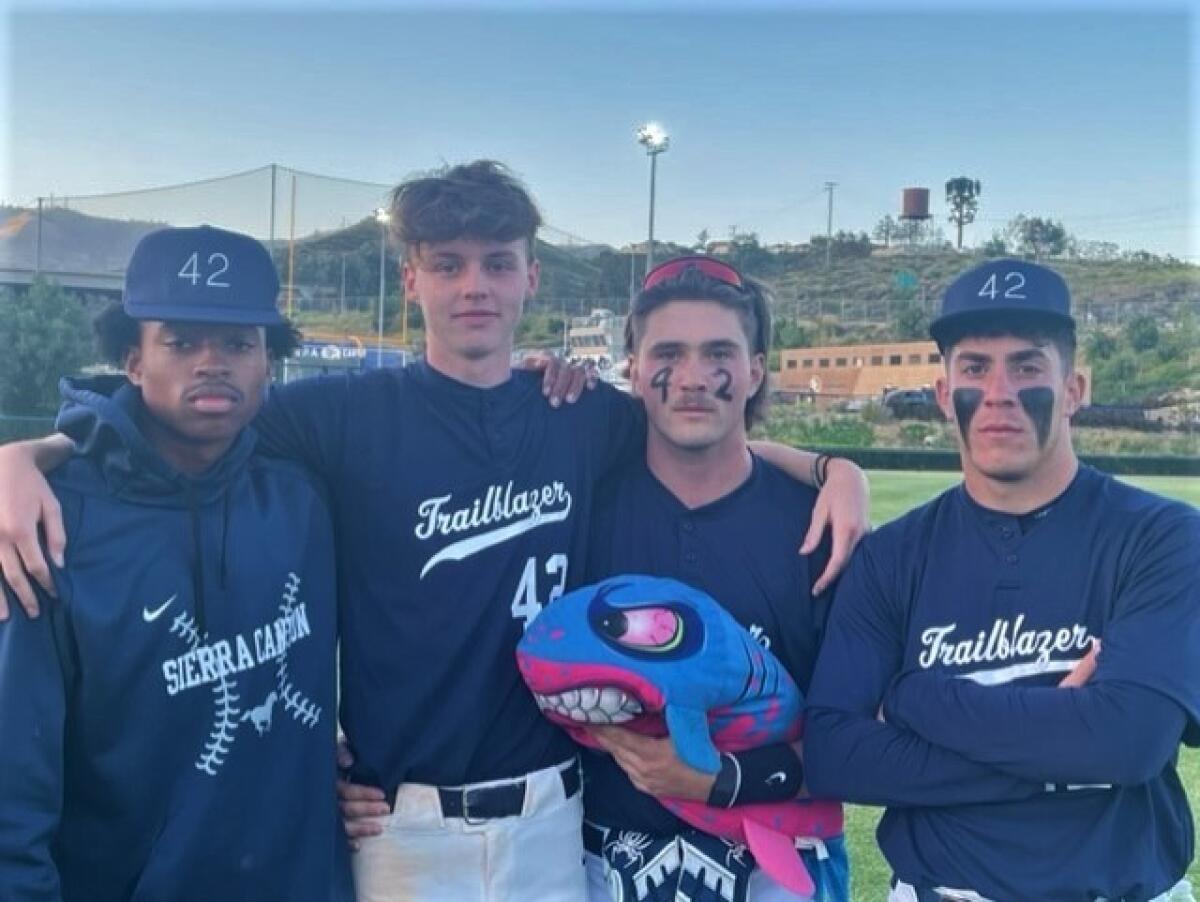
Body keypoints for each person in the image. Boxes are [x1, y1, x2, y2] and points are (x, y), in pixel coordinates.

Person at [0, 162, 867, 902]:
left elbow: (702, 421)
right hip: (398, 830)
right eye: (446, 264)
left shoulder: (582, 414)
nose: (473, 287)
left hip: (556, 820)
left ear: (533, 278)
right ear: (411, 279)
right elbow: (176, 415)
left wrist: (835, 470)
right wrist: (31, 453)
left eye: (497, 263)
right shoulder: (337, 415)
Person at [804, 258, 1200, 902]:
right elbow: (836, 754)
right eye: (974, 368)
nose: (999, 392)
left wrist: (912, 699)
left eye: (1027, 366)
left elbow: (1129, 745)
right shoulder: (892, 557)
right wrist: (1066, 746)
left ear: (1074, 389)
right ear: (943, 393)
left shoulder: (1159, 536)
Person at [0, 225, 346, 901]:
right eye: (182, 341)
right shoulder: (47, 524)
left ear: (267, 364)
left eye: (239, 343)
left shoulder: (302, 501)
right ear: (133, 359)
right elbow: (14, 787)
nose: (212, 362)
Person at [578, 256, 850, 901]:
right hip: (601, 860)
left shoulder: (819, 530)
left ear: (756, 369)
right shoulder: (578, 511)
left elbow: (859, 740)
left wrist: (724, 778)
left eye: (720, 352)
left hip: (778, 862)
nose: (694, 378)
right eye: (669, 352)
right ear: (634, 369)